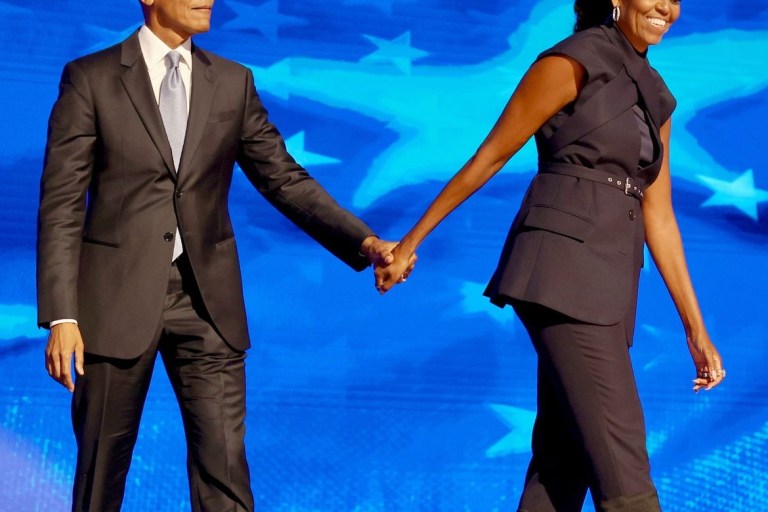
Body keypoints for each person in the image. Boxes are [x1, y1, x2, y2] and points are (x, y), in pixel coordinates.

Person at [37, 0, 414, 510]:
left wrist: (365, 242)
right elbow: (61, 204)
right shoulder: (91, 78)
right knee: (100, 474)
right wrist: (63, 315)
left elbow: (284, 179)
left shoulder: (232, 82)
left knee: (226, 471)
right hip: (114, 302)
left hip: (208, 306)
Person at [376, 0, 725, 510]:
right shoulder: (572, 60)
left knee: (563, 462)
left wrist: (695, 329)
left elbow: (661, 216)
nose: (666, 8)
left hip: (610, 282)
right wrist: (411, 242)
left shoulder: (657, 95)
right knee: (623, 464)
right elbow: (491, 153)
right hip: (561, 272)